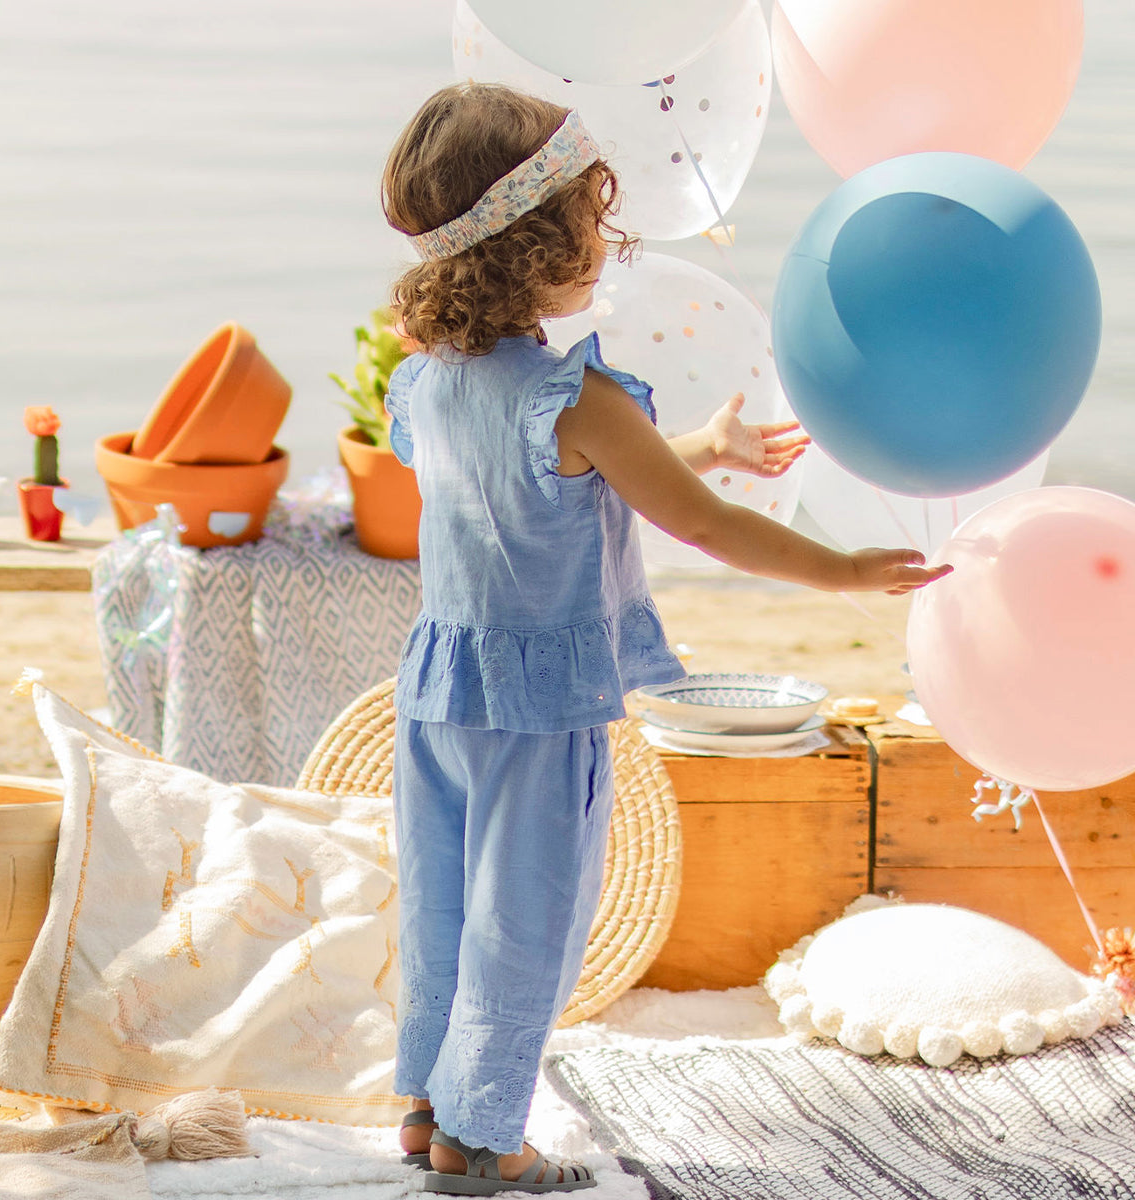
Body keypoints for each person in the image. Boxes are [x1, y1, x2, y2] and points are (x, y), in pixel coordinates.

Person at [380, 82, 951, 1196]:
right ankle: (483, 1141)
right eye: (591, 222)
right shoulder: (577, 394)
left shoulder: (425, 384)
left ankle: (428, 1105)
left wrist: (704, 443)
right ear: (535, 246)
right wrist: (841, 570)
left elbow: (547, 474)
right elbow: (697, 522)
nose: (608, 241)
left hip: (441, 690)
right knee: (528, 919)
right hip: (541, 707)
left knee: (443, 899)